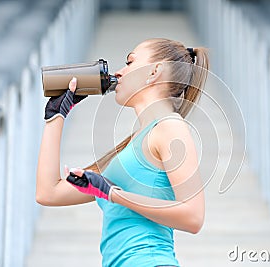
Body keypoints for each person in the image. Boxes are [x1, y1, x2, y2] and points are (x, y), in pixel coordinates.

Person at [36, 38, 209, 267]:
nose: (119, 73)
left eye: (129, 62)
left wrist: (113, 194)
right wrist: (56, 117)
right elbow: (49, 193)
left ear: (154, 71)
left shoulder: (170, 127)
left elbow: (193, 217)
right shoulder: (131, 146)